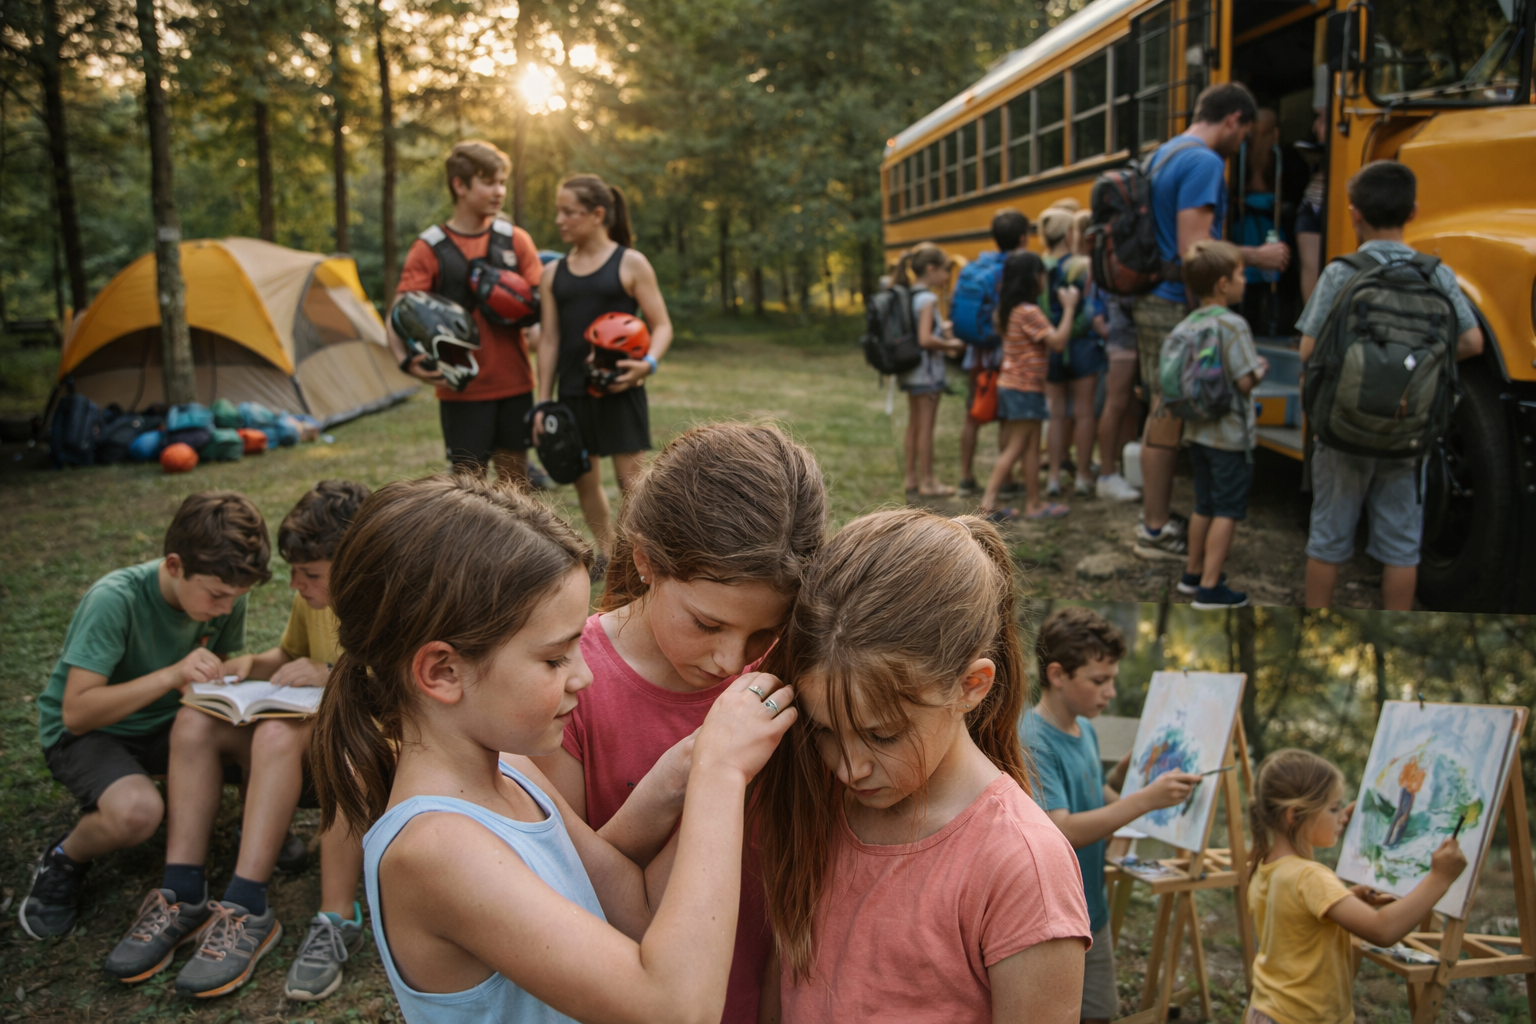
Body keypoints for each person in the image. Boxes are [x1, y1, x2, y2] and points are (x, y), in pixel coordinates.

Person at [309, 473, 799, 1024]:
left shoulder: (516, 776)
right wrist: (718, 778)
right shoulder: (438, 850)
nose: (584, 677)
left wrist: (682, 773)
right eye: (554, 659)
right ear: (442, 671)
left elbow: (634, 910)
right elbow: (674, 1010)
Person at [530, 421, 828, 1024]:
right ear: (645, 560)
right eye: (707, 624)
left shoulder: (795, 666)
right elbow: (560, 891)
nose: (731, 660)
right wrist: (675, 784)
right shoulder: (569, 686)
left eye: (763, 631)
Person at [753, 509, 1092, 1023]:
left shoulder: (1023, 865)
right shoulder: (817, 802)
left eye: (882, 734)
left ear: (970, 686)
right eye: (823, 730)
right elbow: (784, 981)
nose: (849, 769)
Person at [103, 483, 372, 998]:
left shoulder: (392, 601)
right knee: (195, 719)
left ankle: (294, 911)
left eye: (310, 575)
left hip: (363, 746)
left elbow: (405, 687)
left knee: (275, 732)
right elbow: (286, 654)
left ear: (357, 563)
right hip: (309, 737)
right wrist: (247, 666)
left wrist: (331, 671)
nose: (297, 585)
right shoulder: (314, 602)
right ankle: (183, 892)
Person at [21, 492, 269, 941]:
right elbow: (76, 713)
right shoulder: (114, 599)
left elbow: (214, 664)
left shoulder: (225, 594)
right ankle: (64, 858)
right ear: (175, 566)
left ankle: (254, 835)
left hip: (169, 722)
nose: (226, 608)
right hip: (93, 733)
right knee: (137, 813)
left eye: (237, 597)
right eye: (216, 595)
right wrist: (171, 675)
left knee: (265, 739)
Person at [1298, 161, 1483, 611]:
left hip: (1343, 428)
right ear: (1414, 211)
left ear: (1353, 213)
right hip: (1408, 428)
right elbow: (1472, 341)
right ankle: (1397, 623)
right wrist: (1416, 369)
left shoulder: (1342, 271)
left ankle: (1316, 621)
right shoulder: (1435, 273)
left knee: (1327, 538)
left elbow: (1308, 350)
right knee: (1402, 546)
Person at [1131, 82, 1291, 562]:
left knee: (1161, 407)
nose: (1242, 145)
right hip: (1172, 302)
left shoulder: (1164, 153)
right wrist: (1258, 255)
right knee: (1166, 411)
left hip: (1151, 298)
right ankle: (1154, 530)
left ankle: (1155, 522)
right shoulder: (1203, 161)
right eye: (1245, 134)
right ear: (1233, 121)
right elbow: (1193, 248)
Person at [1020, 607, 1202, 1024]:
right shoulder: (1033, 740)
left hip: (1090, 909)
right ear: (1057, 675)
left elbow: (1094, 795)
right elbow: (1061, 829)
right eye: (1099, 681)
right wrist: (1144, 800)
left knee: (1101, 1013)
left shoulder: (1084, 729)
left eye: (1112, 680)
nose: (1110, 692)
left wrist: (1128, 777)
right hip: (1049, 919)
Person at [1245, 748, 1467, 1024]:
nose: (1343, 816)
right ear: (1295, 815)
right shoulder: (1310, 877)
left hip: (1266, 1010)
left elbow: (1295, 920)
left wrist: (1346, 897)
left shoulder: (1264, 865)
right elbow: (1382, 930)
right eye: (1334, 808)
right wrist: (1439, 879)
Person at [387, 140, 548, 484]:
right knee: (467, 491)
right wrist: (407, 363)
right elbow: (399, 314)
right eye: (489, 182)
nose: (499, 191)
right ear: (459, 185)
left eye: (502, 182)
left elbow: (540, 309)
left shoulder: (515, 240)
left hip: (515, 383)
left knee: (515, 489)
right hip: (462, 389)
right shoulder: (430, 247)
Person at [535, 174, 674, 562]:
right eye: (558, 212)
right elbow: (548, 340)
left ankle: (640, 556)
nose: (560, 220)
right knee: (584, 479)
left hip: (620, 388)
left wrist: (647, 365)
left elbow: (662, 324)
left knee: (632, 482)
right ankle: (610, 554)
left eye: (569, 212)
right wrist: (543, 402)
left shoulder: (630, 263)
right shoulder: (552, 274)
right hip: (573, 391)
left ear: (597, 214)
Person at [1173, 240, 1267, 610]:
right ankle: (1210, 588)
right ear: (1224, 284)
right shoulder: (1233, 325)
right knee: (1227, 509)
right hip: (1230, 436)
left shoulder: (1188, 323)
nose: (1246, 280)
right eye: (1242, 273)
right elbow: (1244, 381)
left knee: (1204, 505)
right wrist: (1260, 369)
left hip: (1196, 431)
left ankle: (1192, 573)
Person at [979, 251, 1075, 521]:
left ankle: (1034, 503)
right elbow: (1056, 342)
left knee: (1031, 447)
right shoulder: (1029, 311)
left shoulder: (1008, 310)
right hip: (1025, 388)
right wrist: (1069, 308)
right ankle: (987, 504)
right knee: (1017, 446)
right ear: (1034, 278)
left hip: (1015, 386)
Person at [957, 209, 1033, 499]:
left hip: (976, 353)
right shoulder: (1015, 268)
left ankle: (965, 476)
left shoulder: (976, 265)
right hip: (1003, 353)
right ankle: (1007, 479)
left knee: (972, 413)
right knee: (1005, 416)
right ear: (1023, 238)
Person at [1041, 209, 1105, 499]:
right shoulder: (1082, 266)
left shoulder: (1038, 265)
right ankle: (1081, 475)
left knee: (1055, 413)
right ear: (1070, 234)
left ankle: (1053, 477)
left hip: (1051, 347)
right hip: (1081, 347)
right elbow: (1090, 311)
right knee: (1084, 413)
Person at [894, 243, 967, 500]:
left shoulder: (910, 294)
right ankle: (928, 481)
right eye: (944, 271)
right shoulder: (927, 298)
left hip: (911, 371)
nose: (947, 277)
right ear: (930, 269)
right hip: (927, 373)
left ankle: (911, 477)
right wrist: (951, 344)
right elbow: (925, 339)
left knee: (914, 425)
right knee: (926, 427)